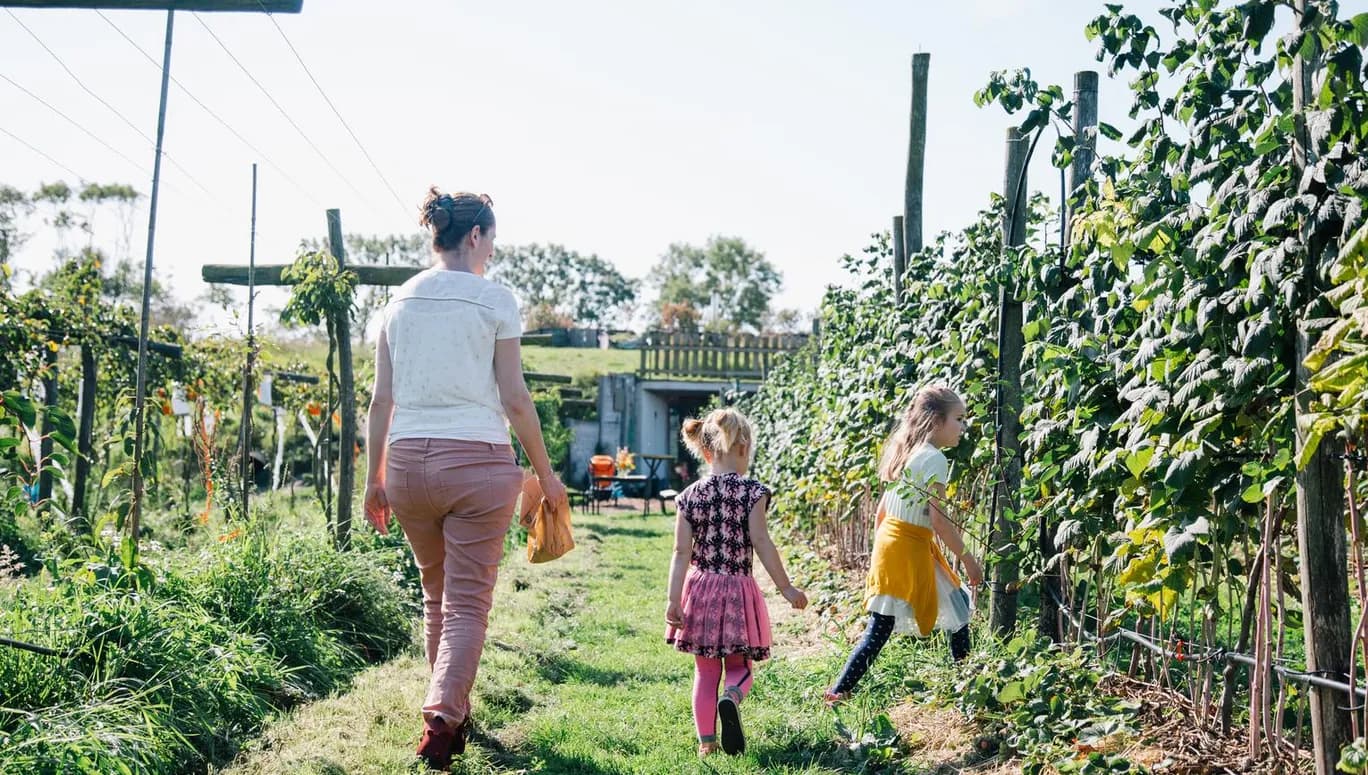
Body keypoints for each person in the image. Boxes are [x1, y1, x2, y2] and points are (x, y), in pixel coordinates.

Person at [362, 186, 568, 769]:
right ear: (475, 236)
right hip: (477, 463)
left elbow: (381, 401)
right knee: (469, 604)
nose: (493, 252)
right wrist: (547, 475)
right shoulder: (494, 299)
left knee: (438, 596)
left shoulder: (395, 303)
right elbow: (515, 398)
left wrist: (373, 479)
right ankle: (442, 719)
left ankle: (451, 710)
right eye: (492, 240)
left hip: (405, 465)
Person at [824, 385, 982, 705]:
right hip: (907, 544)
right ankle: (968, 690)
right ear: (937, 421)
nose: (963, 427)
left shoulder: (909, 451)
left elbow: (883, 509)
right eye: (958, 419)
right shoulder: (935, 459)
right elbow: (938, 521)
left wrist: (884, 551)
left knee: (904, 618)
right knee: (952, 608)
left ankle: (840, 690)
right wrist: (967, 559)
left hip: (893, 540)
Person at [664, 408, 808, 757]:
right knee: (740, 666)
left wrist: (673, 600)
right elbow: (762, 542)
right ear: (743, 448)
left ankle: (706, 744)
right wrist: (786, 588)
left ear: (706, 451)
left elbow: (681, 552)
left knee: (705, 671)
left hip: (700, 591)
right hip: (737, 590)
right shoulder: (753, 493)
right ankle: (732, 697)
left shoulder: (690, 496)